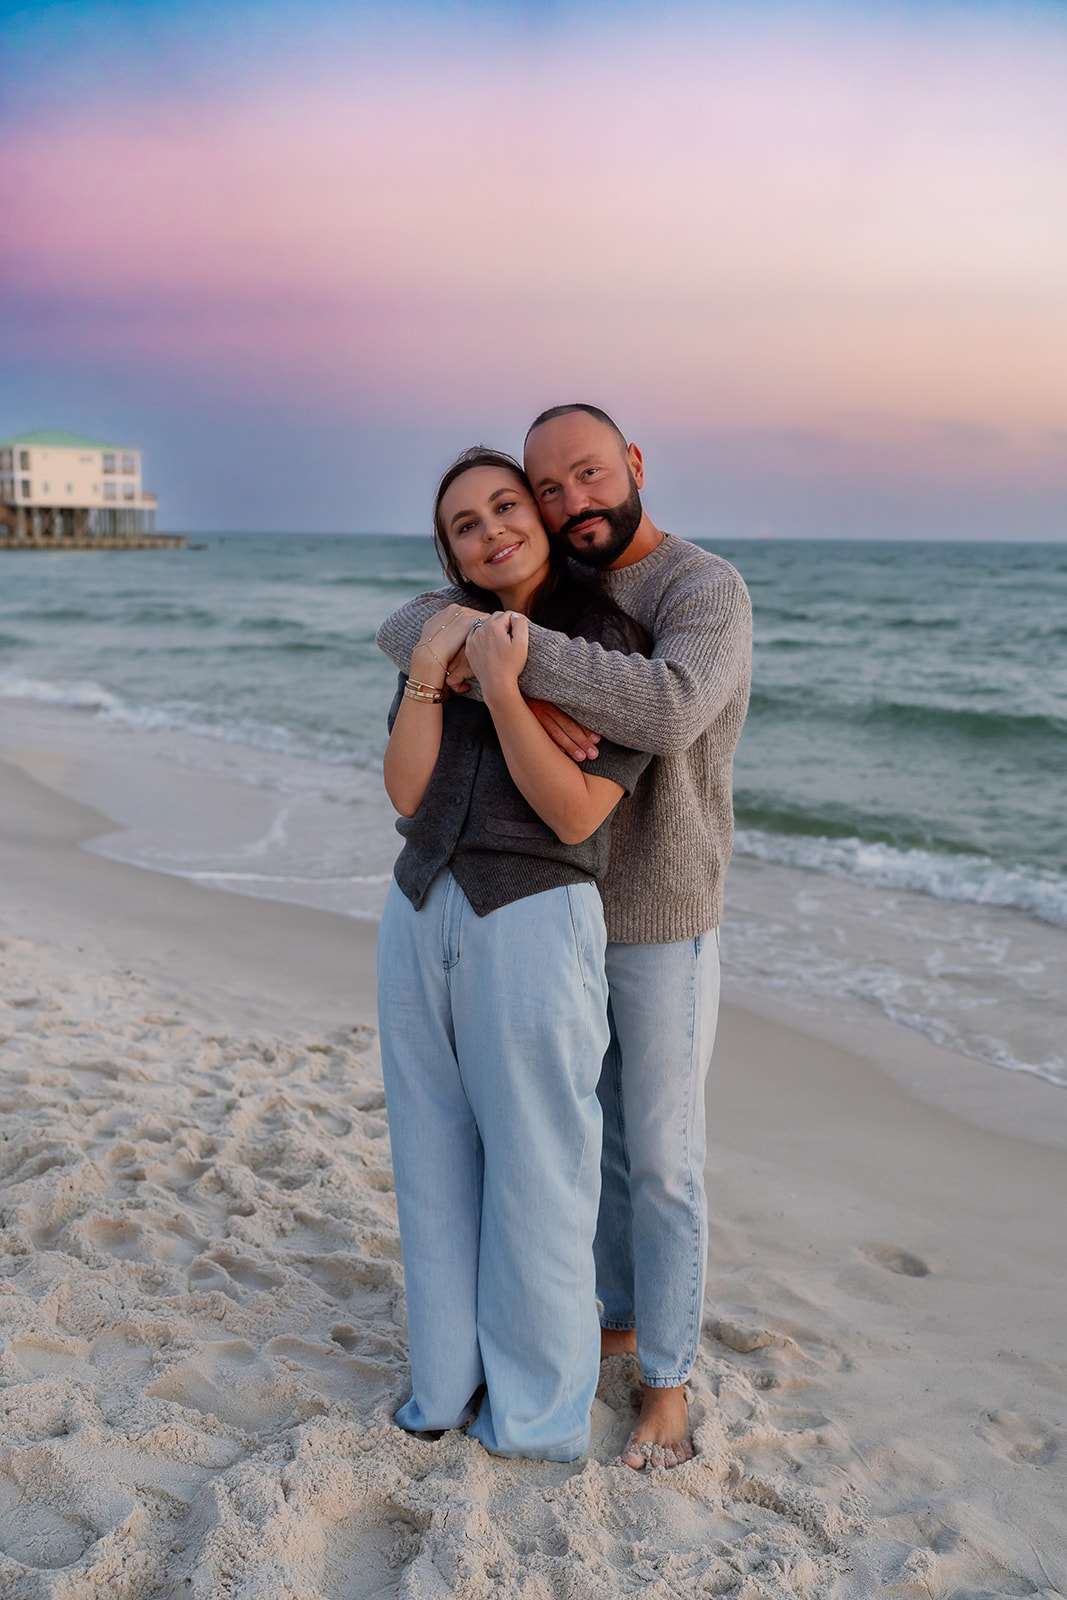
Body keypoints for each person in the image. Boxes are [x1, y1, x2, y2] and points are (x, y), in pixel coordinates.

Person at [377, 405, 752, 1469]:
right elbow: (407, 622)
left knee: (661, 1160)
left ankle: (664, 1384)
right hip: (550, 909)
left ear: (631, 464)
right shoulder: (507, 594)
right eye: (545, 490)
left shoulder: (694, 590)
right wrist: (460, 654)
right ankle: (608, 1322)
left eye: (582, 478)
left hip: (656, 909)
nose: (563, 503)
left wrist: (503, 668)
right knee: (588, 1150)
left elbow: (668, 709)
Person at [376, 446, 651, 1462]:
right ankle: (441, 1386)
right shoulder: (436, 635)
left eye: (504, 506)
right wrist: (429, 671)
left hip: (535, 913)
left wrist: (502, 683)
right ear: (447, 549)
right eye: (463, 522)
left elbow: (575, 807)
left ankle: (535, 1414)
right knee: (431, 1160)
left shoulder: (608, 642)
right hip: (417, 906)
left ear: (538, 514)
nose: (491, 529)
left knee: (539, 1165)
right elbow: (406, 794)